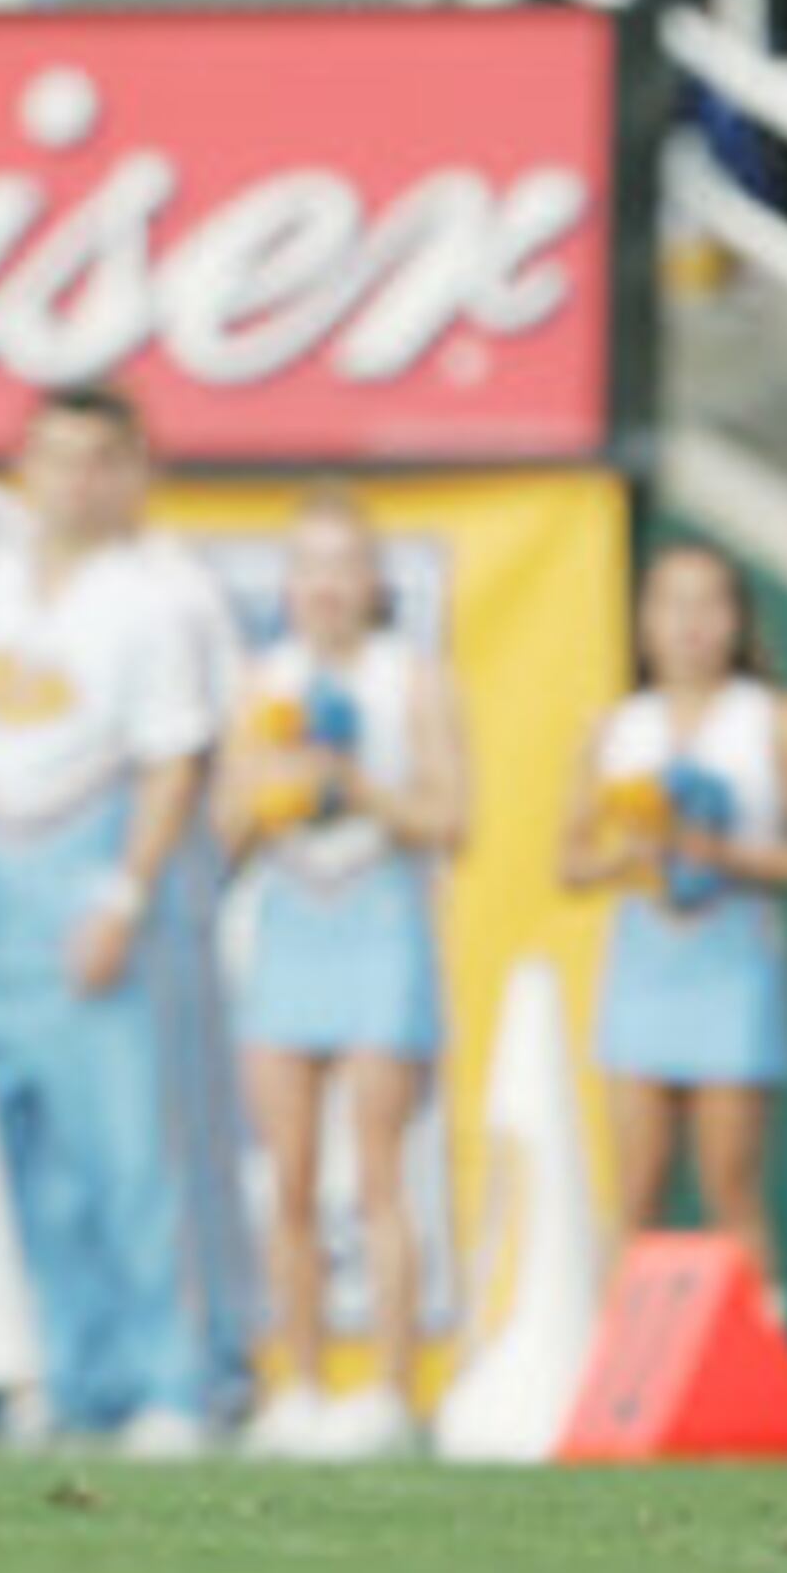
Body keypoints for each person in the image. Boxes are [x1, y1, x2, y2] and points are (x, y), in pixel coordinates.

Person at [0, 387, 222, 1452]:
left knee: (125, 1154)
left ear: (131, 474)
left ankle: (167, 1381)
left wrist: (126, 892)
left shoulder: (155, 601)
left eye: (98, 460)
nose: (75, 481)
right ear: (24, 469)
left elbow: (172, 760)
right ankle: (2, 1373)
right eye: (57, 458)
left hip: (86, 888)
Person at [219, 491, 465, 1461]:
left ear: (375, 582)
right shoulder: (263, 682)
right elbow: (225, 834)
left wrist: (357, 785)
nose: (326, 586)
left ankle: (396, 1389)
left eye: (345, 565)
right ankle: (303, 1383)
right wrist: (274, 791)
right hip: (290, 933)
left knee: (378, 1172)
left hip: (381, 929)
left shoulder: (413, 678)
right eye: (309, 566)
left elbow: (451, 819)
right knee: (288, 1178)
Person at [560, 541, 787, 1291]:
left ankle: (755, 1353)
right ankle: (625, 1354)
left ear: (736, 619)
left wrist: (723, 854)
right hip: (643, 970)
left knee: (730, 1186)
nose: (690, 623)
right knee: (635, 1189)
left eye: (708, 603)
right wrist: (637, 856)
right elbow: (573, 862)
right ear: (644, 619)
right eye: (671, 602)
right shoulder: (616, 726)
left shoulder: (778, 721)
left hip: (734, 966)